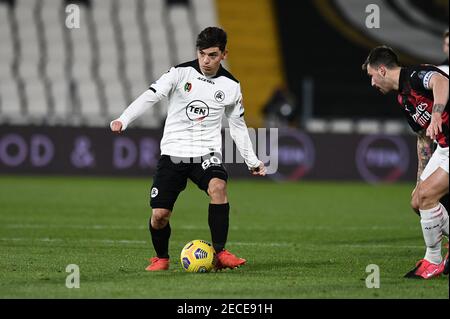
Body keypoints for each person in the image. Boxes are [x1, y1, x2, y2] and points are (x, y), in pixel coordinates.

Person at [110, 27, 266, 271]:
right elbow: (151, 96)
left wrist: (252, 161)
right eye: (202, 54)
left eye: (212, 55)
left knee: (218, 187)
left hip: (206, 153)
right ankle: (161, 258)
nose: (206, 60)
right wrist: (124, 119)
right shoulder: (180, 73)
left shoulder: (231, 86)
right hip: (173, 152)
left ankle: (220, 253)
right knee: (160, 215)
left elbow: (237, 126)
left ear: (224, 54)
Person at [362, 46, 449, 279]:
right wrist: (421, 178)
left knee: (428, 198)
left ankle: (433, 259)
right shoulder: (403, 98)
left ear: (382, 70)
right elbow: (422, 137)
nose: (372, 83)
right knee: (417, 201)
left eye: (371, 76)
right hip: (444, 146)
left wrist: (438, 114)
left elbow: (442, 82)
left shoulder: (415, 76)